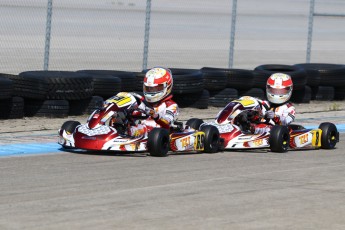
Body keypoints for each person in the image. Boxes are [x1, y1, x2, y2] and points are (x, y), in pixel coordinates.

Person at [128, 67, 179, 137]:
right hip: (140, 128)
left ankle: (129, 132)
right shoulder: (143, 102)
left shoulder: (171, 105)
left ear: (167, 87)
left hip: (159, 134)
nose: (151, 91)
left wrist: (154, 114)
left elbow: (167, 122)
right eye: (148, 88)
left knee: (142, 128)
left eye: (156, 88)